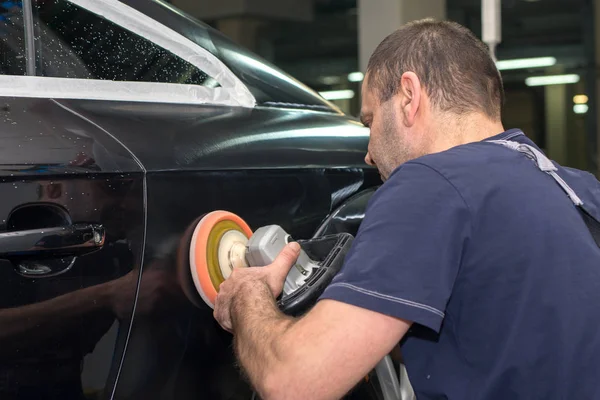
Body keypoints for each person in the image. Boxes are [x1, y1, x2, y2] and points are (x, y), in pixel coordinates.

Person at [213, 18, 600, 400]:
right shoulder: (580, 189)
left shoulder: (430, 183)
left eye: (370, 121)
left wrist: (249, 295)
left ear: (409, 97)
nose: (367, 154)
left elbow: (294, 382)